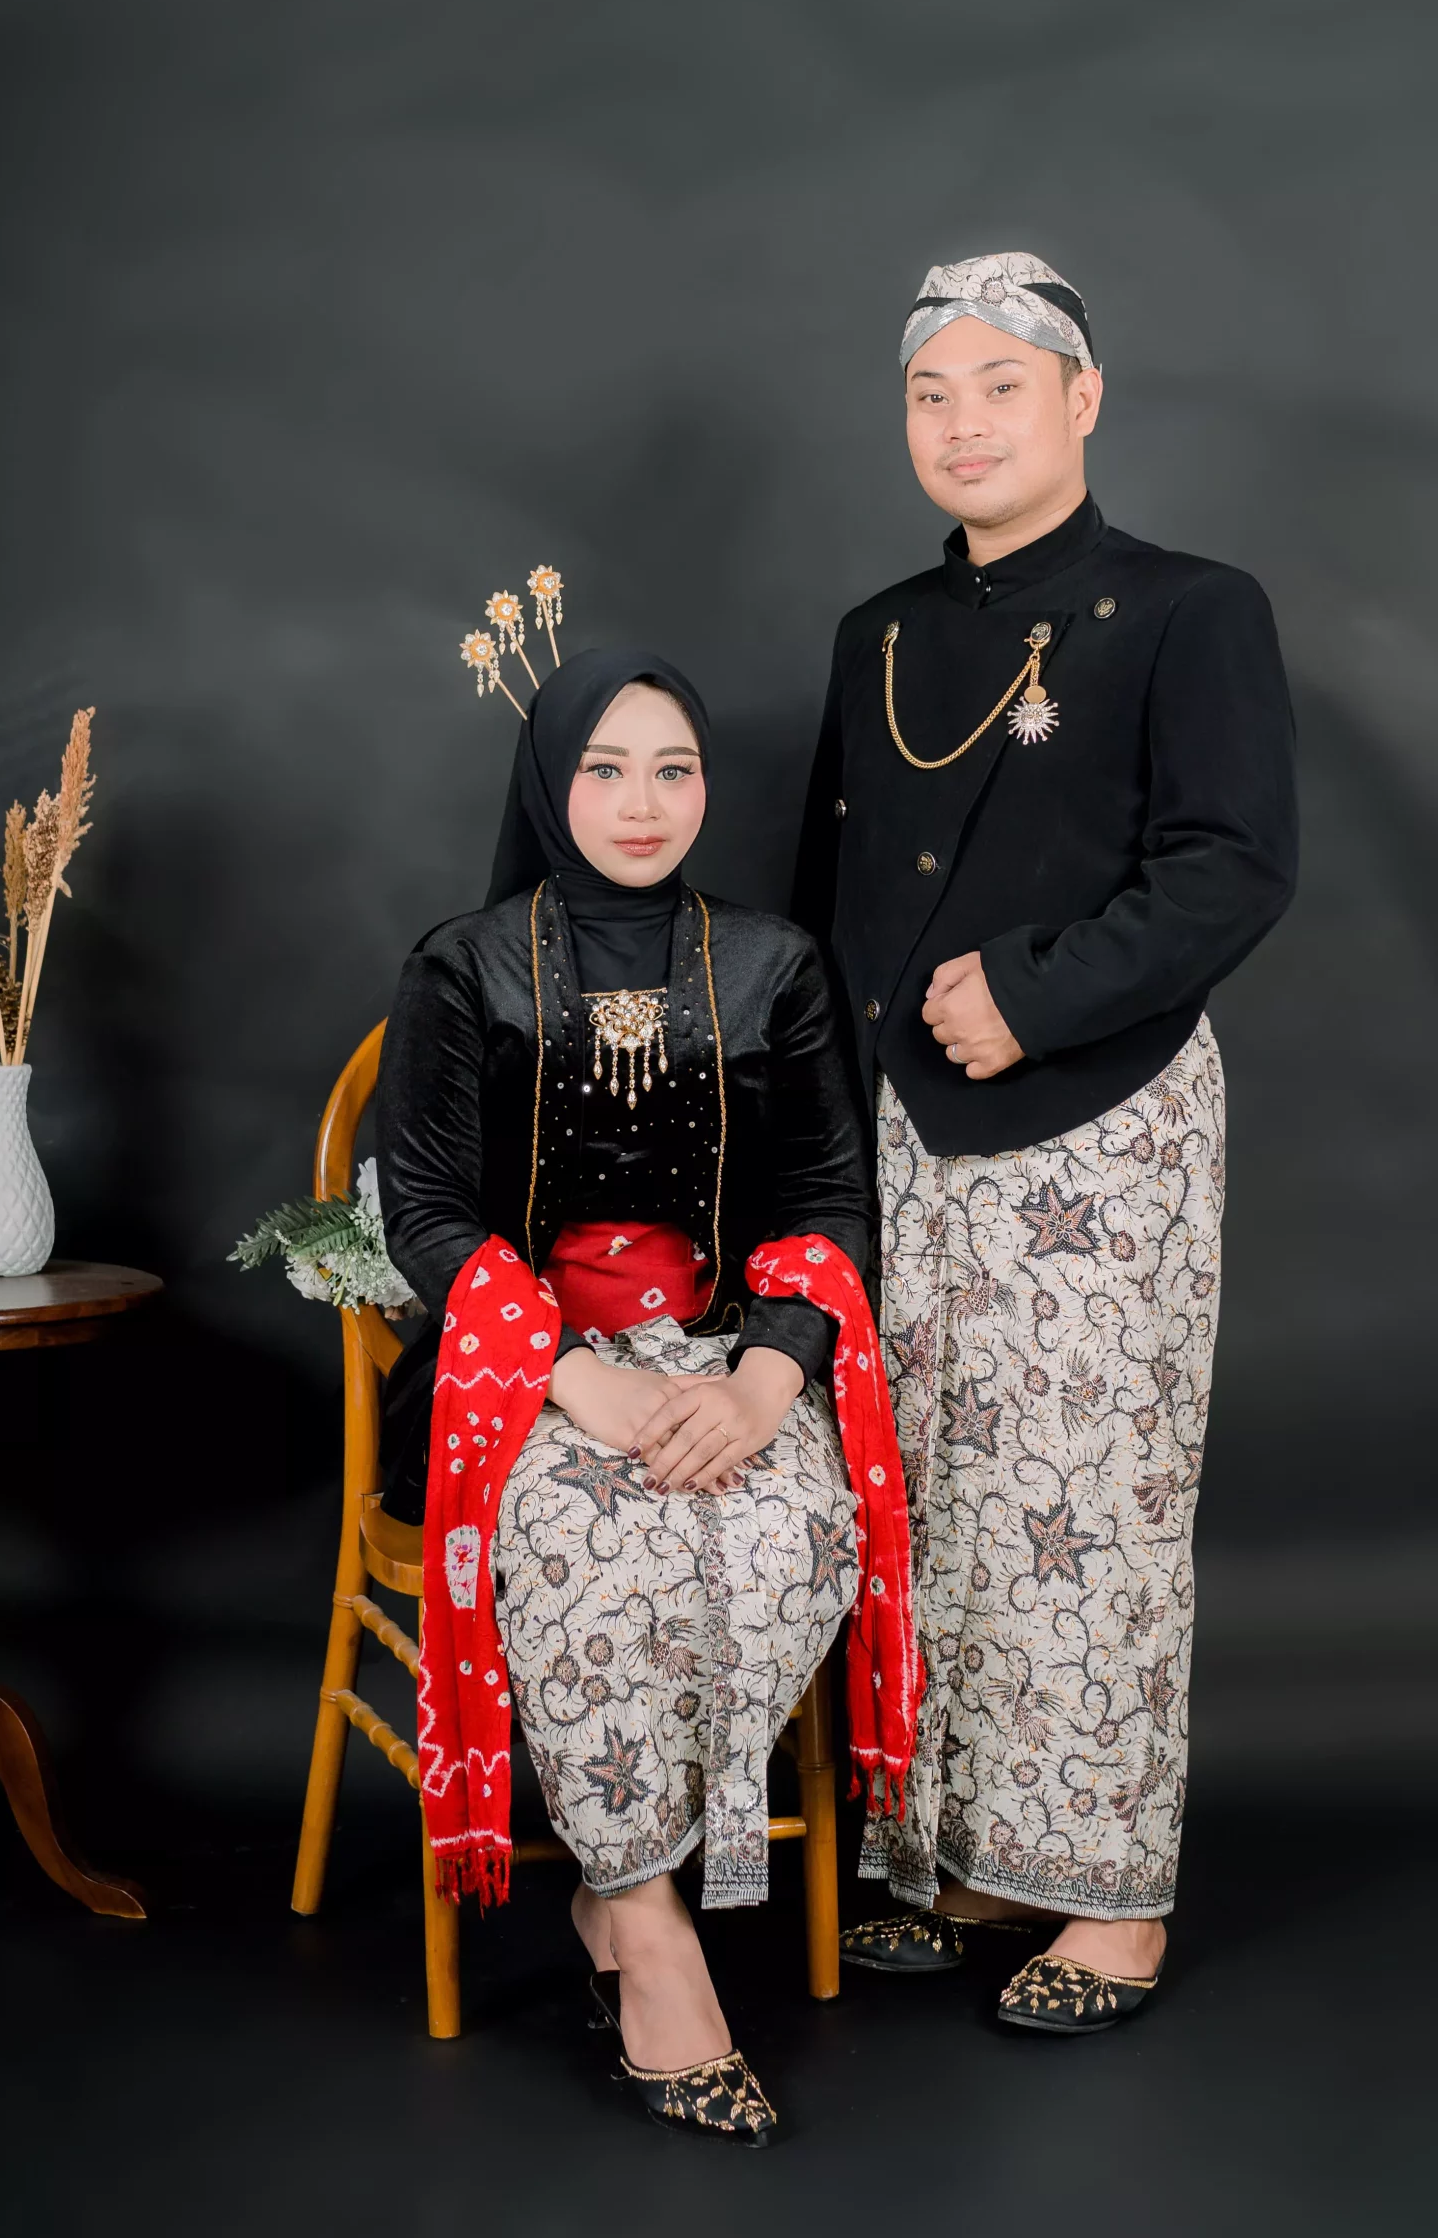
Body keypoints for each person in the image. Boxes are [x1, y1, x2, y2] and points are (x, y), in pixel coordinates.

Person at [793, 250, 1297, 2034]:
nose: (963, 423)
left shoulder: (1188, 609)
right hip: (898, 1134)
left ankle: (1110, 1901)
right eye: (930, 393)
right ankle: (968, 1861)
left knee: (1087, 1513)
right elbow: (828, 896)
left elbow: (1232, 866)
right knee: (928, 1498)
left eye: (1000, 386)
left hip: (1100, 1125)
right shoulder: (877, 634)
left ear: (1080, 401)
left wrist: (1031, 993)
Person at [376, 649, 918, 2141]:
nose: (641, 801)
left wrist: (767, 1378)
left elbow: (831, 1191)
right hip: (524, 1367)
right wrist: (573, 1379)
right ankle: (648, 1921)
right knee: (595, 1548)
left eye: (672, 769)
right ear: (549, 782)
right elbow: (423, 1210)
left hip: (729, 1350)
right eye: (604, 768)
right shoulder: (464, 963)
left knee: (782, 1535)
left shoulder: (774, 963)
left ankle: (628, 1898)